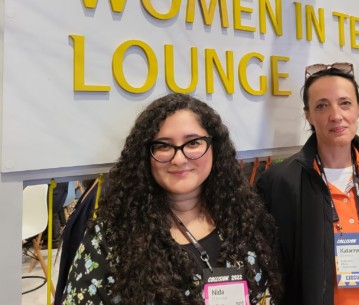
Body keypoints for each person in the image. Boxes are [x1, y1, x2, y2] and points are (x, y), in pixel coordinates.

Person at [61, 93, 283, 305]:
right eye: (164, 146)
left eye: (193, 143)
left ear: (214, 147)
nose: (179, 158)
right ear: (145, 155)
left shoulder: (243, 219)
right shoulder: (112, 237)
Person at [257, 62, 359, 305]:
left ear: (358, 109)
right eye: (322, 106)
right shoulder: (280, 183)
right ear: (308, 115)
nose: (336, 116)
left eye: (345, 103)